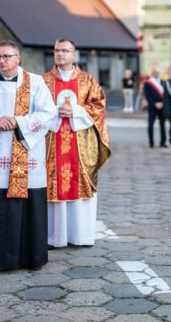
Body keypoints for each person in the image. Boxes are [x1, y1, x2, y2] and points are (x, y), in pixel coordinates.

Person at [0, 39, 56, 273]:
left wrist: (18, 122)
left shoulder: (35, 82)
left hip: (26, 152)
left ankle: (31, 257)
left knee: (27, 206)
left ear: (18, 58)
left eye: (6, 56)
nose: (1, 61)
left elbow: (48, 113)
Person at [43, 39, 111, 249]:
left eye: (65, 51)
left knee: (80, 183)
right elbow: (34, 109)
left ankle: (81, 236)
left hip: (80, 145)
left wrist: (76, 111)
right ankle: (54, 238)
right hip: (52, 144)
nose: (60, 54)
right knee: (52, 185)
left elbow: (99, 106)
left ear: (74, 55)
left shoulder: (87, 80)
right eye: (57, 50)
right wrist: (55, 112)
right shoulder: (43, 81)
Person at [144, 68, 167, 148]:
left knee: (163, 125)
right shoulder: (148, 83)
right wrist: (154, 104)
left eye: (157, 72)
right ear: (152, 73)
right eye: (155, 72)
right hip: (152, 107)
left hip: (162, 106)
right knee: (150, 125)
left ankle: (163, 142)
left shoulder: (163, 82)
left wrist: (162, 103)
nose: (156, 73)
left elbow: (166, 95)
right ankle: (151, 142)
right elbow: (147, 96)